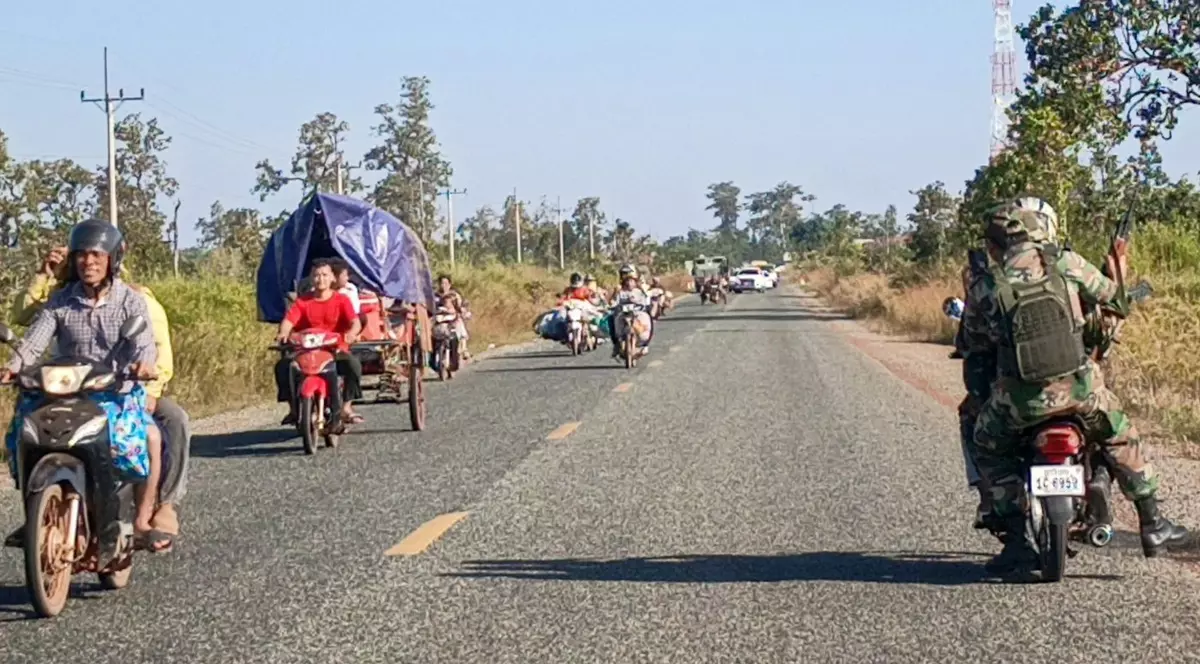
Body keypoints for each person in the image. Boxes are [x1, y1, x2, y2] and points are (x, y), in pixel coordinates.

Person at [962, 202, 1189, 577]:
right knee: (1119, 434)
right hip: (1080, 391)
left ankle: (1017, 542)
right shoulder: (1065, 263)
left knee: (988, 446)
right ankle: (1153, 522)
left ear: (996, 243)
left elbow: (974, 343)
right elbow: (1114, 299)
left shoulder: (987, 284)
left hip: (1018, 402)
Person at [7, 245, 191, 552]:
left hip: (115, 390)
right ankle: (36, 513)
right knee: (23, 433)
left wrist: (146, 371)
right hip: (65, 388)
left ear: (112, 261)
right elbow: (32, 341)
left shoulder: (133, 299)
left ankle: (147, 518)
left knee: (151, 435)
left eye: (96, 256)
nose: (88, 263)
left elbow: (148, 344)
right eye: (80, 256)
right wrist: (12, 367)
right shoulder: (61, 299)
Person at [275, 259, 364, 425]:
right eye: (316, 275)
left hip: (334, 350)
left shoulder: (342, 300)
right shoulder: (302, 302)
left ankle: (346, 407)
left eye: (324, 275)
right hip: (305, 350)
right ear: (311, 278)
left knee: (353, 365)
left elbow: (355, 323)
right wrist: (283, 333)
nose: (320, 279)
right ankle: (293, 409)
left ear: (332, 278)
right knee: (283, 366)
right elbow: (289, 321)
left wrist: (351, 334)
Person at [609, 272, 651, 356]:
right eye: (627, 281)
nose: (629, 283)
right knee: (611, 319)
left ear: (635, 282)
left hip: (637, 313)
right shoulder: (620, 292)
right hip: (623, 314)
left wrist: (637, 302)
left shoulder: (639, 292)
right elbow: (614, 302)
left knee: (649, 319)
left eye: (632, 281)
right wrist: (613, 302)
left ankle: (645, 344)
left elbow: (645, 301)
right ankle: (616, 344)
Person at [435, 275, 471, 360]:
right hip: (439, 318)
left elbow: (460, 306)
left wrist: (462, 311)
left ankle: (464, 348)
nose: (443, 285)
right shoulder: (435, 296)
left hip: (452, 317)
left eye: (445, 283)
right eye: (442, 283)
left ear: (450, 284)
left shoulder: (454, 295)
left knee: (459, 324)